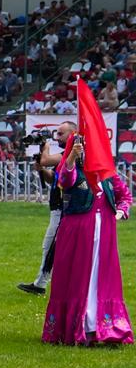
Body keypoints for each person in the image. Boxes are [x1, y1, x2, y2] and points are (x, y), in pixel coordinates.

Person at [41, 136, 132, 345]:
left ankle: (105, 327)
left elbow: (125, 196)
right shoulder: (74, 171)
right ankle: (80, 327)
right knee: (79, 277)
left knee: (102, 278)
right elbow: (64, 179)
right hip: (78, 234)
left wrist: (121, 212)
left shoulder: (107, 174)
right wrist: (72, 155)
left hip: (105, 235)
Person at [19, 121, 74, 295]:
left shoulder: (70, 153)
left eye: (61, 134)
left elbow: (46, 159)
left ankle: (40, 284)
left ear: (73, 134)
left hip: (63, 209)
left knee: (50, 246)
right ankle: (43, 283)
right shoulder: (65, 156)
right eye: (56, 133)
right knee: (52, 247)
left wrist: (45, 146)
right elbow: (53, 179)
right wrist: (42, 170)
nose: (57, 137)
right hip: (58, 207)